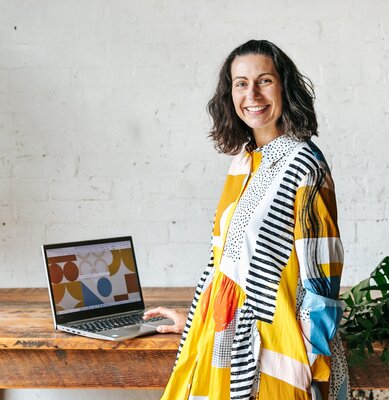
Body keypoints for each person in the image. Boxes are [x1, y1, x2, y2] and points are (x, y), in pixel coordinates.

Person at [143, 39, 349, 400]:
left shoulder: (305, 165)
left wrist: (314, 364)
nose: (252, 93)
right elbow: (223, 261)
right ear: (230, 94)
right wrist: (194, 318)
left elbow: (322, 277)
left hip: (272, 346)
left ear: (285, 86)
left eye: (264, 80)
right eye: (241, 83)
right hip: (218, 334)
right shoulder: (243, 159)